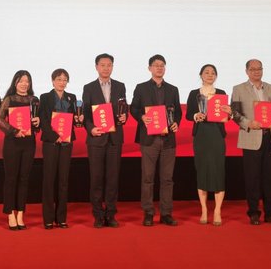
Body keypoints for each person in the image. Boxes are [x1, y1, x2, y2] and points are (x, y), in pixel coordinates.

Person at [231, 59, 271, 226]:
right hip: (251, 137)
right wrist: (249, 123)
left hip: (270, 138)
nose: (256, 72)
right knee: (252, 179)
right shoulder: (239, 89)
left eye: (259, 69)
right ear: (247, 71)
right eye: (253, 69)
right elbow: (235, 114)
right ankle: (253, 213)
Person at [130, 54, 182, 226]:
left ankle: (166, 213)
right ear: (149, 68)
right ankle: (148, 212)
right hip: (149, 139)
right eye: (156, 65)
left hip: (168, 140)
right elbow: (134, 109)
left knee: (167, 179)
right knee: (148, 178)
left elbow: (178, 112)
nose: (159, 68)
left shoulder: (173, 89)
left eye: (162, 65)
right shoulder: (141, 88)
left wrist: (176, 123)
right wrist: (142, 117)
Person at [82, 53, 127, 228]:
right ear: (96, 67)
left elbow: (124, 108)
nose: (106, 68)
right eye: (103, 65)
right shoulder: (89, 87)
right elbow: (85, 113)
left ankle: (111, 214)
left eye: (109, 65)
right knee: (96, 179)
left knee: (113, 179)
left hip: (115, 139)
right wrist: (90, 128)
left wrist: (124, 116)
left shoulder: (120, 86)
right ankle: (98, 215)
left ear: (112, 67)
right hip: (96, 138)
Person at [186, 64, 231, 226]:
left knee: (218, 171)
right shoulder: (194, 93)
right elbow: (188, 114)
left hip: (217, 135)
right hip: (201, 135)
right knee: (202, 171)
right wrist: (195, 115)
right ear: (201, 75)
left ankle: (217, 210)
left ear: (216, 76)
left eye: (213, 73)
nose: (210, 75)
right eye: (207, 72)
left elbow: (227, 116)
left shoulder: (221, 93)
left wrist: (229, 112)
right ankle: (204, 210)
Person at [0, 70, 40, 230]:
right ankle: (10, 213)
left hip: (29, 143)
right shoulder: (9, 99)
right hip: (12, 143)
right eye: (21, 81)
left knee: (24, 179)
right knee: (11, 178)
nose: (24, 84)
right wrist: (14, 131)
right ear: (15, 83)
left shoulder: (34, 100)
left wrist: (38, 122)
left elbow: (38, 123)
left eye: (27, 81)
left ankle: (20, 212)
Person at [39, 68, 82, 229]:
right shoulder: (45, 97)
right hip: (51, 143)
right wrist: (53, 136)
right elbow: (43, 119)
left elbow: (74, 118)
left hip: (66, 142)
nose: (62, 82)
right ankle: (48, 218)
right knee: (49, 180)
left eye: (65, 79)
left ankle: (61, 218)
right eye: (59, 79)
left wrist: (79, 119)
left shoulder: (72, 97)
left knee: (63, 180)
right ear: (52, 81)